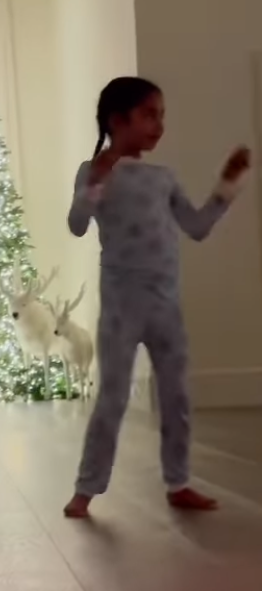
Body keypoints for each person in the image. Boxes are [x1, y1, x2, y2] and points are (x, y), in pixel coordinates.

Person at [63, 75, 250, 519]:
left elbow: (198, 227)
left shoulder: (162, 177)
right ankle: (86, 489)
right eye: (150, 114)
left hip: (165, 306)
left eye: (161, 115)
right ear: (117, 119)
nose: (159, 125)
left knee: (177, 395)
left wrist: (227, 186)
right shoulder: (93, 172)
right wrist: (97, 183)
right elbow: (75, 223)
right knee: (113, 397)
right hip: (122, 307)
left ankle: (178, 481)